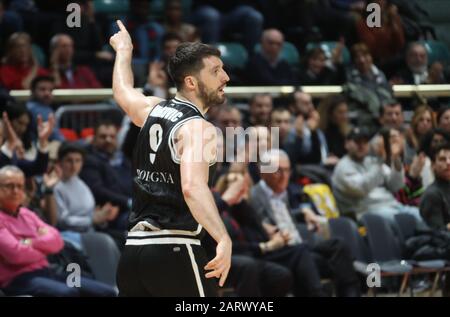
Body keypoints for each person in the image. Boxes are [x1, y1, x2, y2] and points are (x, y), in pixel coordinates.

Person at [110, 20, 231, 297]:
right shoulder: (199, 128)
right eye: (216, 71)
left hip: (133, 254)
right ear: (191, 82)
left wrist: (124, 50)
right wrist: (223, 237)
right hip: (175, 250)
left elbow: (122, 91)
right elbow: (192, 187)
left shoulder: (152, 109)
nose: (225, 77)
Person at [0, 165, 116, 297]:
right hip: (18, 278)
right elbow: (16, 255)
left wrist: (29, 243)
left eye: (20, 186)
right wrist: (44, 249)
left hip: (47, 271)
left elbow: (57, 240)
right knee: (68, 293)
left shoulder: (27, 214)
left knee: (106, 292)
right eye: (9, 186)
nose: (15, 191)